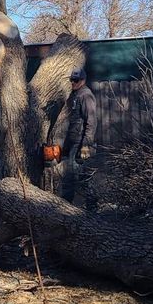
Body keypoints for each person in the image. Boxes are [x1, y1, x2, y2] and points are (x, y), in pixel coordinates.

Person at [61, 68, 97, 203]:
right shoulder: (76, 95)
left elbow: (91, 121)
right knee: (82, 177)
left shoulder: (85, 95)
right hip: (75, 143)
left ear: (83, 80)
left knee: (73, 177)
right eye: (71, 80)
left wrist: (86, 145)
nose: (73, 83)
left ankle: (67, 207)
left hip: (81, 144)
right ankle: (91, 207)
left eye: (76, 80)